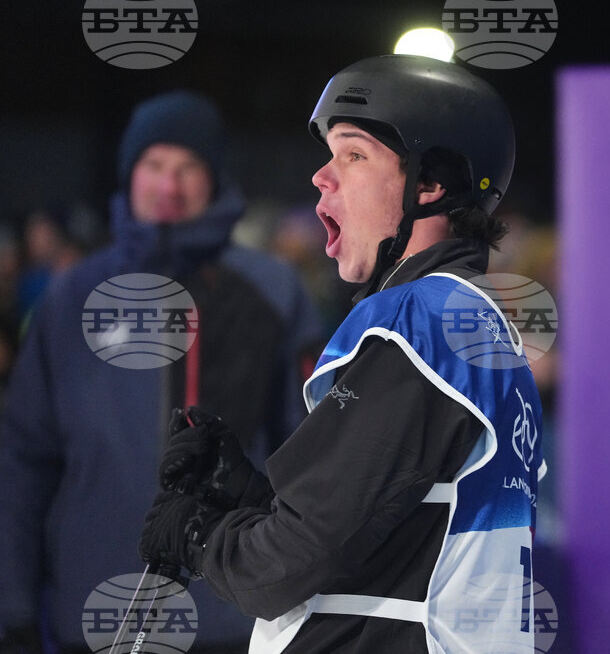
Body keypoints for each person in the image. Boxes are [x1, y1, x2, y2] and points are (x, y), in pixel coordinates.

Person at [138, 55, 547, 653]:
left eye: (353, 155)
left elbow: (289, 565)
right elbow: (391, 533)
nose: (321, 177)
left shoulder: (420, 322)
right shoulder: (469, 327)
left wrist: (199, 535)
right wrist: (243, 491)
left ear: (430, 183)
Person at [0, 90, 323, 653]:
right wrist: (15, 606)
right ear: (130, 173)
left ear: (215, 177)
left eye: (187, 167)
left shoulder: (273, 291)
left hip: (236, 618)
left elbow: (310, 455)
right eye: (153, 165)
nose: (169, 186)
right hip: (93, 611)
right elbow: (25, 460)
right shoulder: (72, 295)